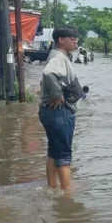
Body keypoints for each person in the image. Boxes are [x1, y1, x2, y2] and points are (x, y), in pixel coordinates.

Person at [39, 26, 83, 190]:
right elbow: (49, 73)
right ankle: (67, 195)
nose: (75, 41)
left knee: (54, 151)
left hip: (51, 112)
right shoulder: (59, 57)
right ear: (61, 40)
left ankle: (52, 187)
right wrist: (57, 94)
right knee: (64, 155)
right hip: (60, 112)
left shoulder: (58, 56)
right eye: (72, 38)